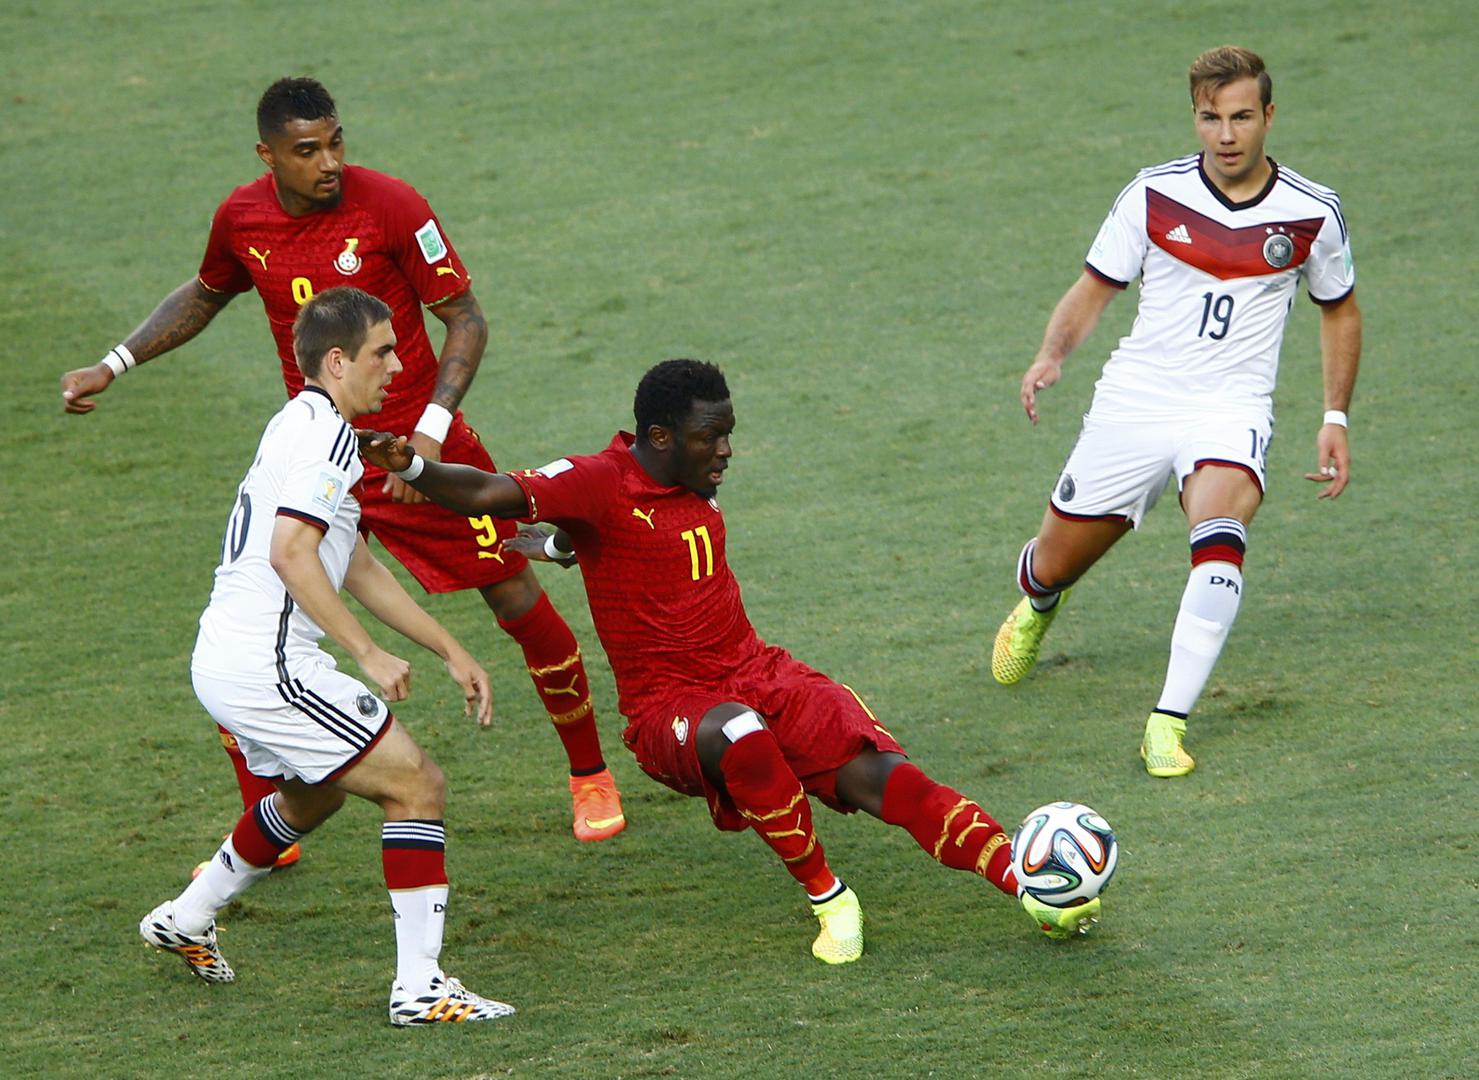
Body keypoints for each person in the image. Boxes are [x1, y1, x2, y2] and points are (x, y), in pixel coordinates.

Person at [358, 359, 1105, 964]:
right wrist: (417, 468)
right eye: (708, 437)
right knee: (741, 734)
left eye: (728, 434)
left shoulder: (687, 481)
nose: (724, 451)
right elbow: (491, 492)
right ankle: (831, 899)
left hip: (757, 671)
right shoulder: (599, 479)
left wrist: (564, 546)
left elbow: (636, 545)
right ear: (658, 437)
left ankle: (1028, 884)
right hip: (669, 709)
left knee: (884, 775)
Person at [60, 77, 623, 848]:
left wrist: (428, 435)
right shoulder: (241, 218)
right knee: (249, 631)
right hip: (320, 456)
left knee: (515, 597)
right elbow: (206, 292)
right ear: (267, 155)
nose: (328, 162)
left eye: (335, 143)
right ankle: (269, 825)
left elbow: (464, 316)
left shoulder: (391, 205)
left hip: (420, 456)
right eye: (306, 150)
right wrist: (112, 364)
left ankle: (590, 774)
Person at [139, 287, 513, 1025]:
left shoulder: (301, 422)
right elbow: (291, 554)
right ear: (337, 361)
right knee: (417, 785)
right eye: (383, 352)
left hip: (223, 657)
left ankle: (187, 916)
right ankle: (421, 988)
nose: (398, 366)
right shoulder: (328, 443)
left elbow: (356, 563)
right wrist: (367, 653)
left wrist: (448, 647)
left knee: (315, 794)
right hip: (268, 666)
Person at [989, 46, 1362, 778]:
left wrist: (1335, 416)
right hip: (1137, 398)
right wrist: (1051, 354)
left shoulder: (1313, 212)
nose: (1225, 135)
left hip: (1229, 407)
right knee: (1054, 563)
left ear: (1268, 116)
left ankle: (1166, 723)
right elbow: (1094, 288)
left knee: (1220, 540)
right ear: (1194, 117)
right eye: (1209, 118)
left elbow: (1339, 309)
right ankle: (1039, 598)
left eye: (1241, 117)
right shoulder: (1152, 195)